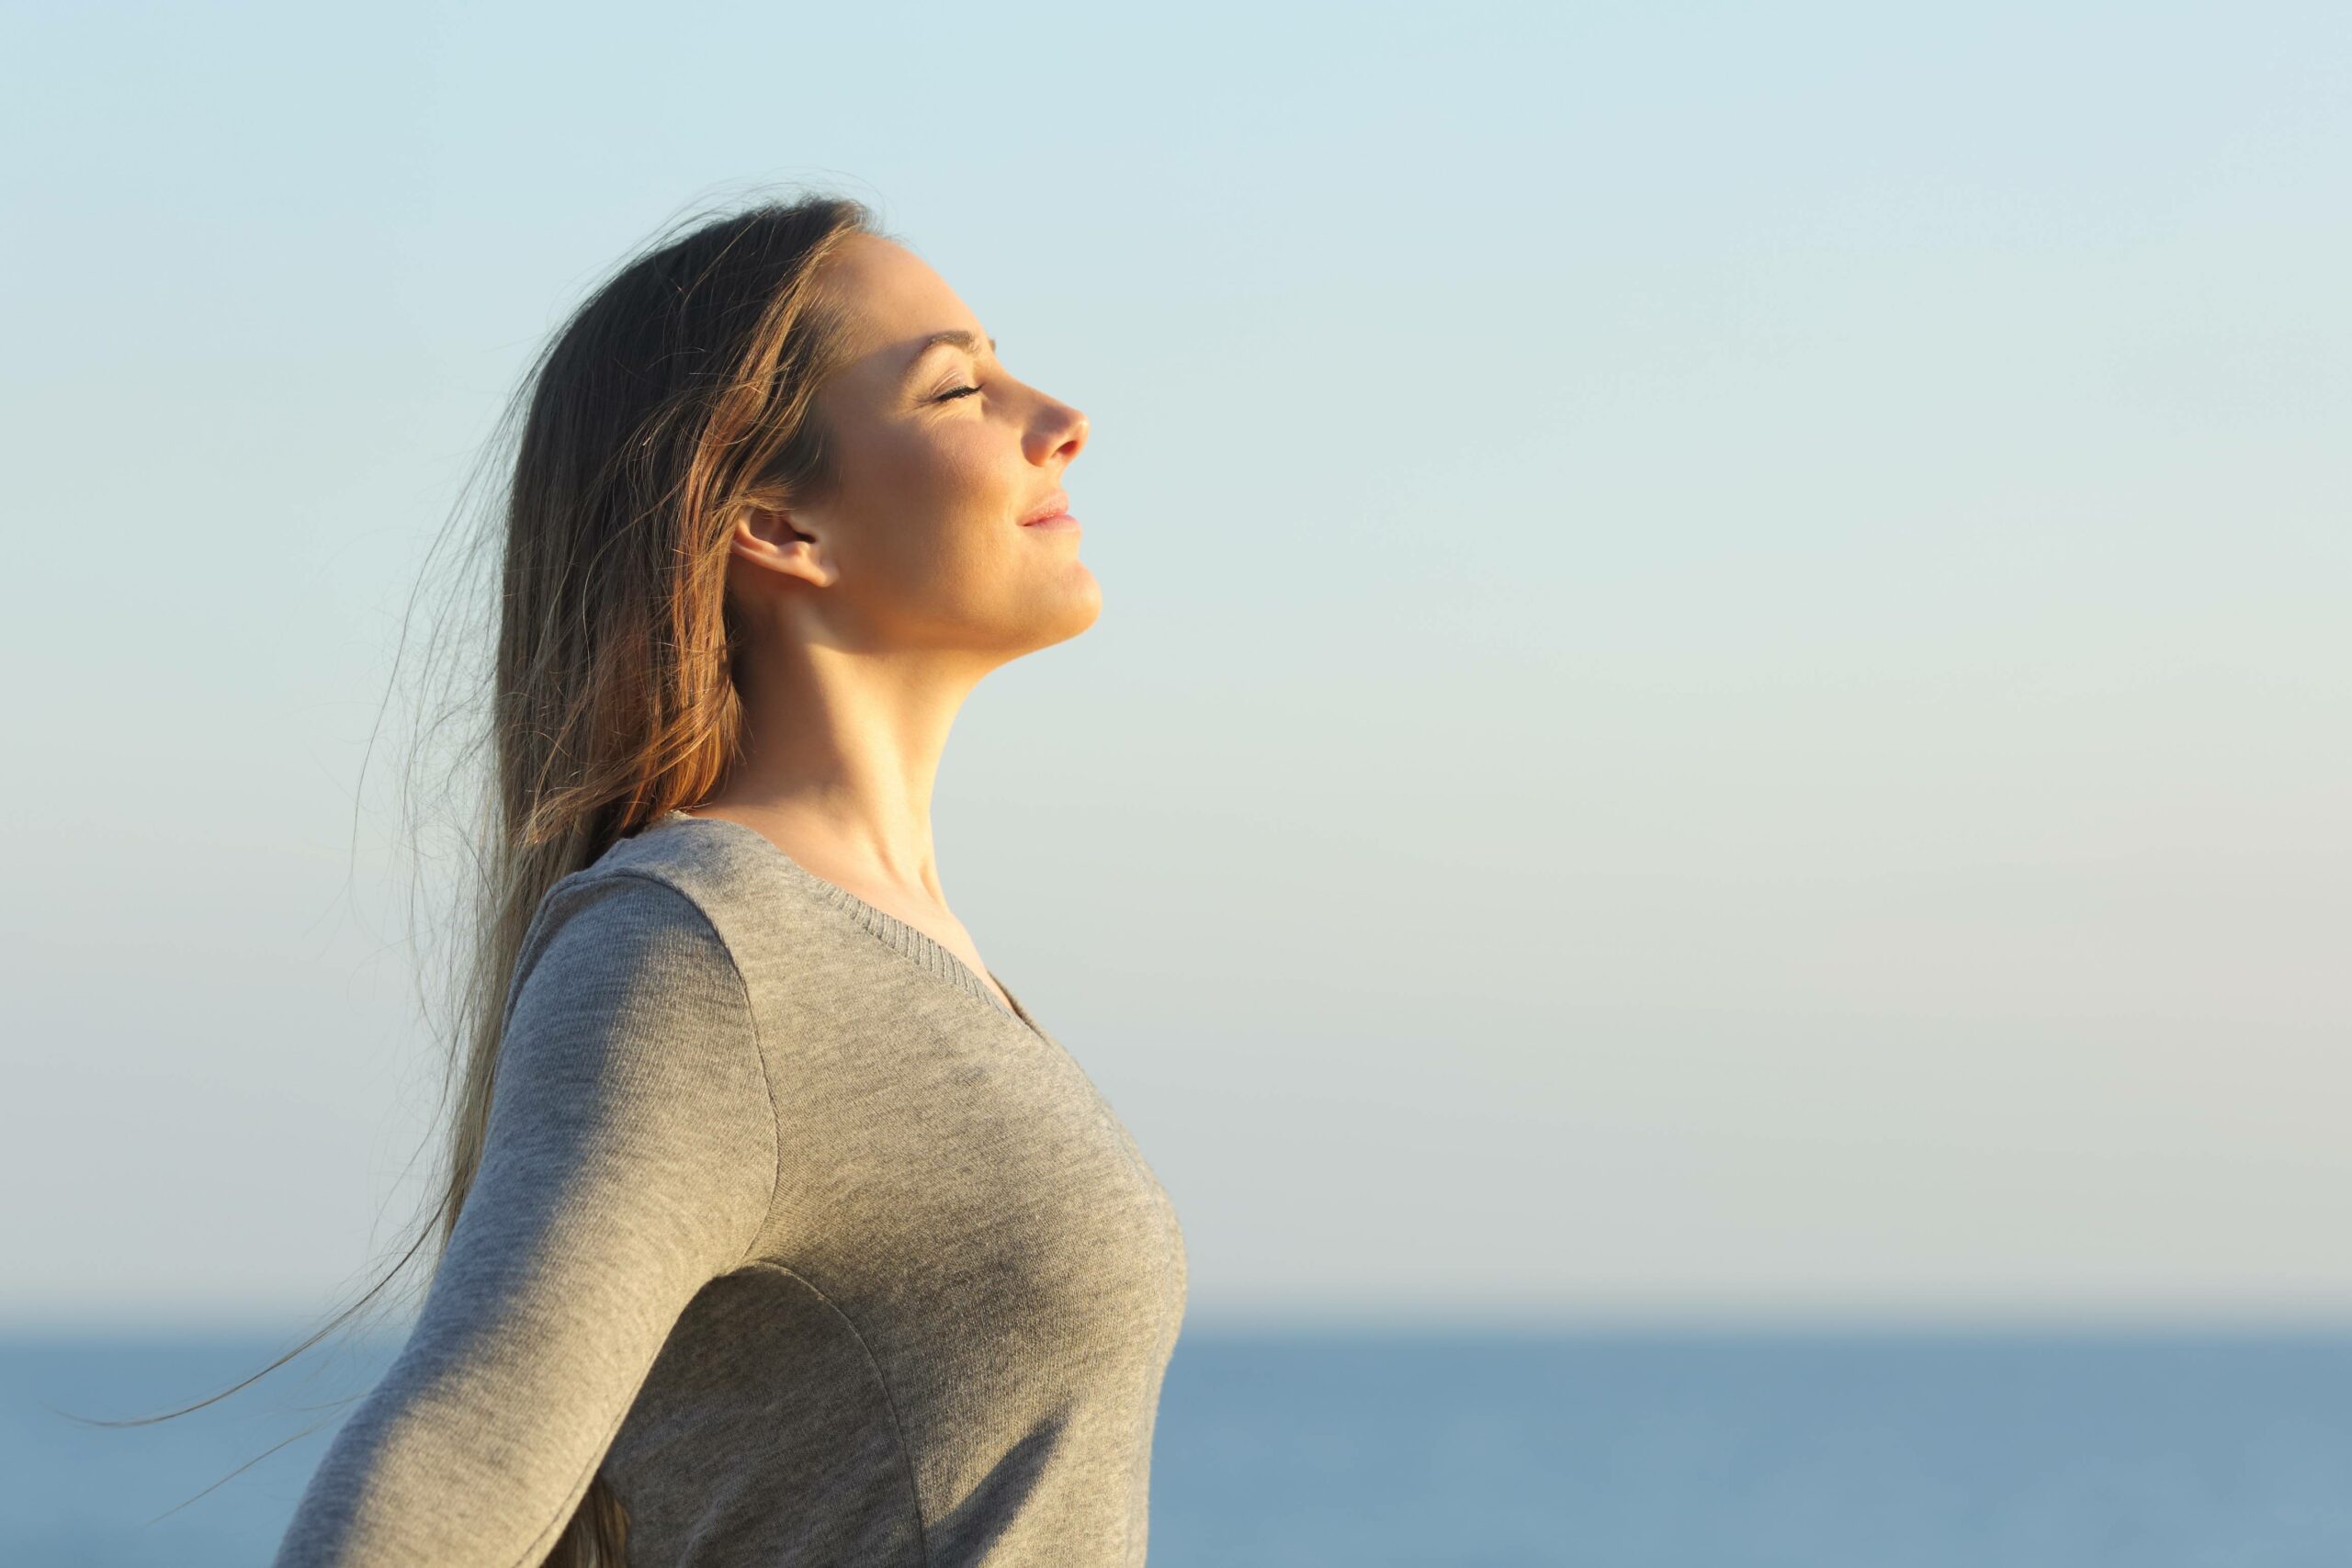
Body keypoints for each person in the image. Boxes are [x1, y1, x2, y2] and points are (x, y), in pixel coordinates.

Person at [268, 193, 1189, 1566]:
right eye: (958, 388)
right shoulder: (699, 953)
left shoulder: (877, 947)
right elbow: (429, 1499)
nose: (1059, 416)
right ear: (775, 526)